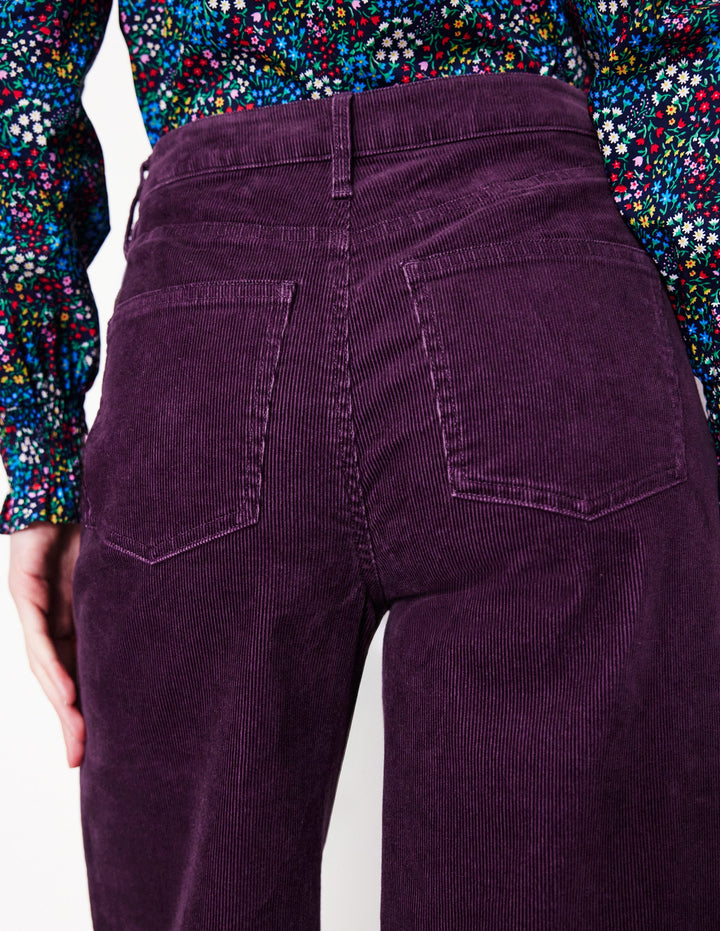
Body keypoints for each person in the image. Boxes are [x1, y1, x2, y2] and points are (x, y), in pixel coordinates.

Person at [2, 0, 720, 927]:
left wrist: (41, 463)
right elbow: (671, 51)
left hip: (210, 335)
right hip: (538, 294)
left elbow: (17, 76)